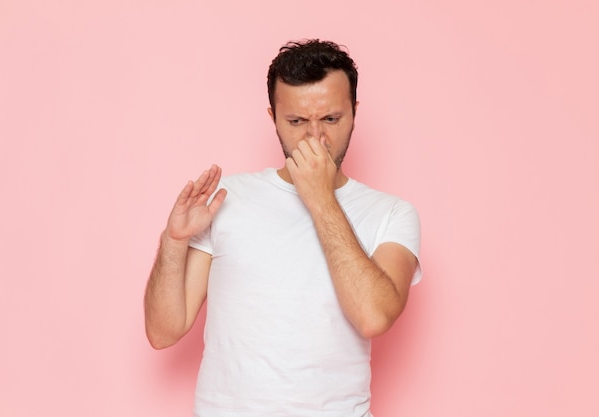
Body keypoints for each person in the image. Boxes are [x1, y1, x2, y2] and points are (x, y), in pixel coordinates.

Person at [144, 39, 422, 417]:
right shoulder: (228, 199)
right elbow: (163, 332)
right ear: (273, 117)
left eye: (331, 119)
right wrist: (174, 241)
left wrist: (321, 198)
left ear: (354, 113)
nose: (315, 138)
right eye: (296, 122)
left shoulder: (391, 213)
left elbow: (374, 316)